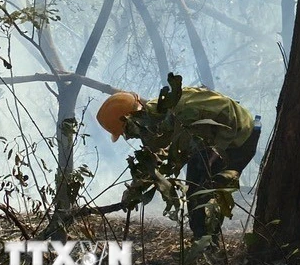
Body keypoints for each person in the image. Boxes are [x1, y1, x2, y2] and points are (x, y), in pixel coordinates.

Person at [97, 86, 261, 241]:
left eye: (126, 131)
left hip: (239, 139)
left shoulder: (179, 108)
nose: (129, 137)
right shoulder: (154, 124)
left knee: (206, 194)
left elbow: (229, 114)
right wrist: (134, 190)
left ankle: (210, 246)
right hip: (207, 144)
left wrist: (214, 154)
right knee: (193, 194)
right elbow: (154, 158)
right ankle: (200, 241)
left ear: (134, 118)